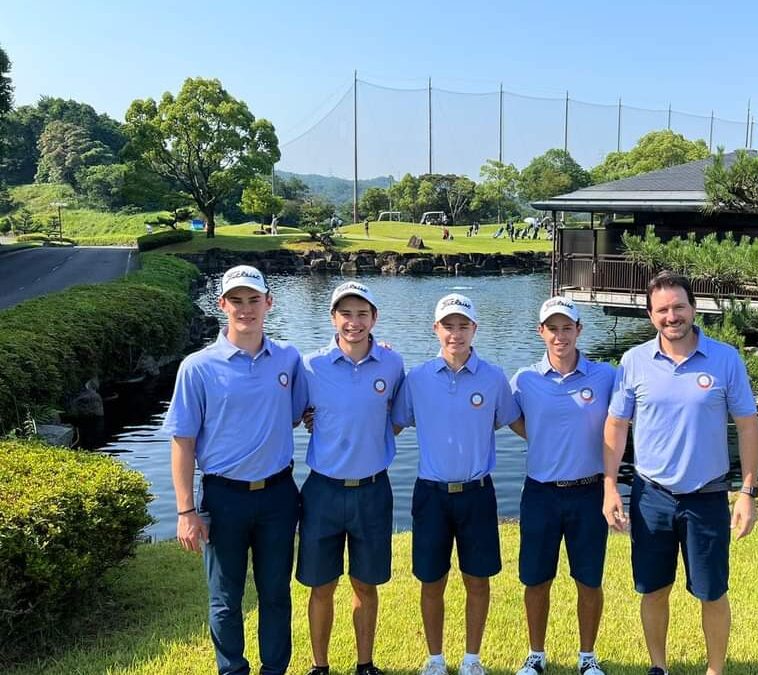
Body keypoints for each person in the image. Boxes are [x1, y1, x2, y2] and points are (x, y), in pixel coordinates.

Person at [602, 271, 758, 675]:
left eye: (678, 307)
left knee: (712, 591)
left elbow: (747, 425)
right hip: (650, 495)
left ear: (693, 308)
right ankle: (659, 666)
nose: (671, 316)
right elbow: (617, 424)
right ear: (650, 315)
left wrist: (747, 492)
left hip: (706, 494)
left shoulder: (725, 359)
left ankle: (715, 670)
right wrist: (610, 485)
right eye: (662, 310)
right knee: (654, 588)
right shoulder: (633, 361)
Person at [164, 265, 307, 675]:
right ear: (222, 304)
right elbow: (183, 441)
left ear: (269, 303)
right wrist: (186, 511)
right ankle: (232, 670)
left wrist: (375, 347)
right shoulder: (197, 366)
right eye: (237, 301)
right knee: (225, 597)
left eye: (254, 300)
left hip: (279, 495)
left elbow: (299, 413)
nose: (246, 309)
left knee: (276, 593)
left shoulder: (288, 358)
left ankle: (274, 670)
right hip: (223, 497)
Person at [391, 293, 522, 675]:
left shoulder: (494, 378)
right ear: (436, 329)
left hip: (477, 494)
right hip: (430, 495)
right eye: (448, 325)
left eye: (463, 325)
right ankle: (435, 659)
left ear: (474, 329)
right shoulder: (416, 379)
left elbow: (515, 422)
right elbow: (392, 422)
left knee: (477, 580)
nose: (456, 333)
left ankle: (471, 659)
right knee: (432, 580)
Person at [297, 281, 405, 675]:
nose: (354, 322)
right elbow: (295, 414)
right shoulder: (310, 365)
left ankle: (365, 664)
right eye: (346, 313)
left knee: (365, 584)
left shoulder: (393, 364)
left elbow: (395, 417)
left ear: (374, 318)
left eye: (362, 314)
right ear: (333, 318)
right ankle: (319, 666)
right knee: (321, 585)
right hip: (322, 490)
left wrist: (366, 435)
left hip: (373, 491)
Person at [508, 297, 616, 675]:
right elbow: (510, 418)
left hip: (589, 493)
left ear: (579, 330)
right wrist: (541, 436)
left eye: (566, 327)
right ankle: (536, 654)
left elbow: (627, 414)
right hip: (540, 493)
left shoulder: (605, 376)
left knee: (588, 579)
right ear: (541, 332)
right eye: (552, 328)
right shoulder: (524, 379)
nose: (559, 335)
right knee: (537, 579)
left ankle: (588, 657)